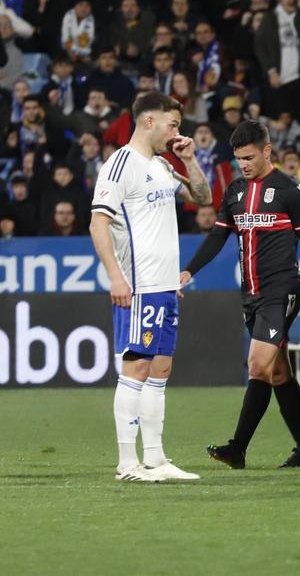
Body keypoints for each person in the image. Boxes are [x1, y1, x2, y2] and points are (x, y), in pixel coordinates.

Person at [183, 121, 300, 470]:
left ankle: (237, 449)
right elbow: (218, 236)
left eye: (249, 157)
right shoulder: (234, 191)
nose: (244, 165)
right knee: (278, 374)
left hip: (282, 291)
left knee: (258, 366)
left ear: (267, 151)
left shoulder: (291, 191)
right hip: (251, 293)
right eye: (238, 159)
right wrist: (189, 271)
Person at [88, 91, 211, 482]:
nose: (177, 132)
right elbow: (97, 223)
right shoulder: (119, 165)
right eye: (173, 124)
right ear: (148, 122)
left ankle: (156, 460)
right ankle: (127, 463)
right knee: (136, 365)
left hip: (164, 284)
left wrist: (190, 158)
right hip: (138, 283)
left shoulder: (161, 164)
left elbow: (204, 198)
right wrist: (115, 276)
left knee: (160, 367)